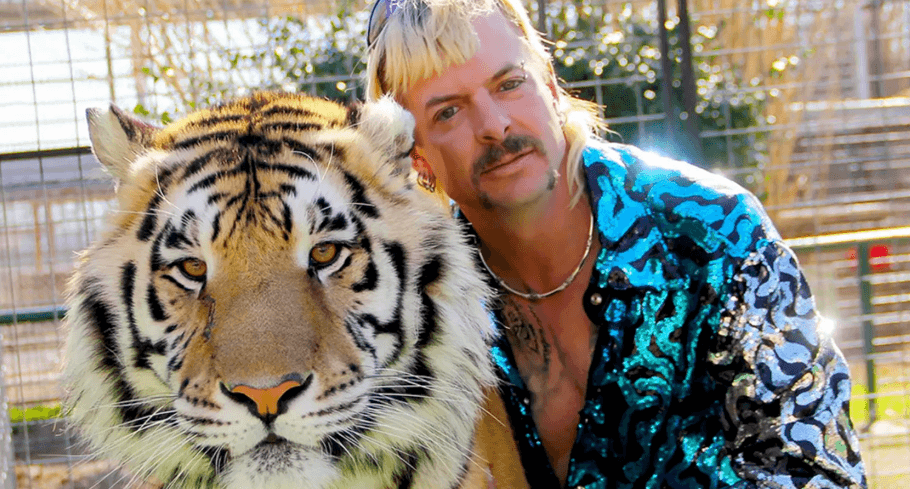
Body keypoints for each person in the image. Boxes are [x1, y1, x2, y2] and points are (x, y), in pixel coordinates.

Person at [362, 1, 867, 487]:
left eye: (510, 84)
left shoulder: (713, 230)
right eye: (449, 112)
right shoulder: (420, 313)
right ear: (416, 157)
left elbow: (817, 470)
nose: (494, 126)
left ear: (551, 86)